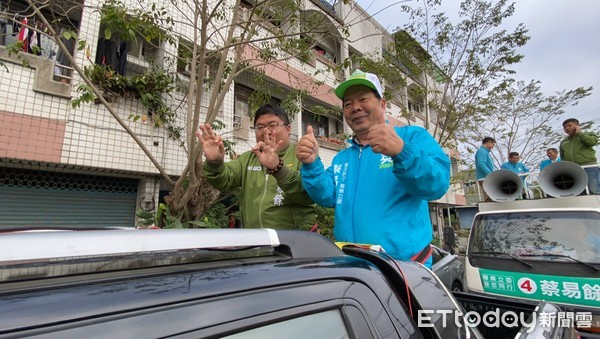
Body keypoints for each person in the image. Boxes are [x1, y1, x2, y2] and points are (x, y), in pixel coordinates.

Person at [296, 69, 450, 267]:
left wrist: (402, 152)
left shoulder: (412, 137)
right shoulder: (343, 157)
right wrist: (311, 164)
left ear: (382, 104)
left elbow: (437, 185)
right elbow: (328, 196)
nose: (355, 108)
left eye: (363, 99)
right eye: (348, 104)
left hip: (403, 268)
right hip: (353, 266)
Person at [196, 103, 317, 230]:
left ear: (288, 128)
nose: (266, 130)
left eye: (273, 125)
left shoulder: (303, 155)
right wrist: (215, 163)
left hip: (295, 240)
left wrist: (278, 168)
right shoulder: (248, 159)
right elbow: (224, 180)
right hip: (257, 239)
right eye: (260, 127)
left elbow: (310, 195)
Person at [559, 118, 600, 194]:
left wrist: (580, 134)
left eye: (569, 125)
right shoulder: (564, 141)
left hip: (589, 167)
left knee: (594, 189)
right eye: (565, 127)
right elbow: (563, 156)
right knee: (579, 191)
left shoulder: (588, 134)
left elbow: (592, 142)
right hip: (574, 169)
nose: (567, 128)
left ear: (577, 126)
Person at [475, 137, 496, 201]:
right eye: (493, 144)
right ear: (489, 142)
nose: (493, 146)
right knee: (490, 196)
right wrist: (490, 174)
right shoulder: (482, 151)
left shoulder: (485, 152)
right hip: (485, 178)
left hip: (487, 177)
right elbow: (481, 164)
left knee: (492, 195)